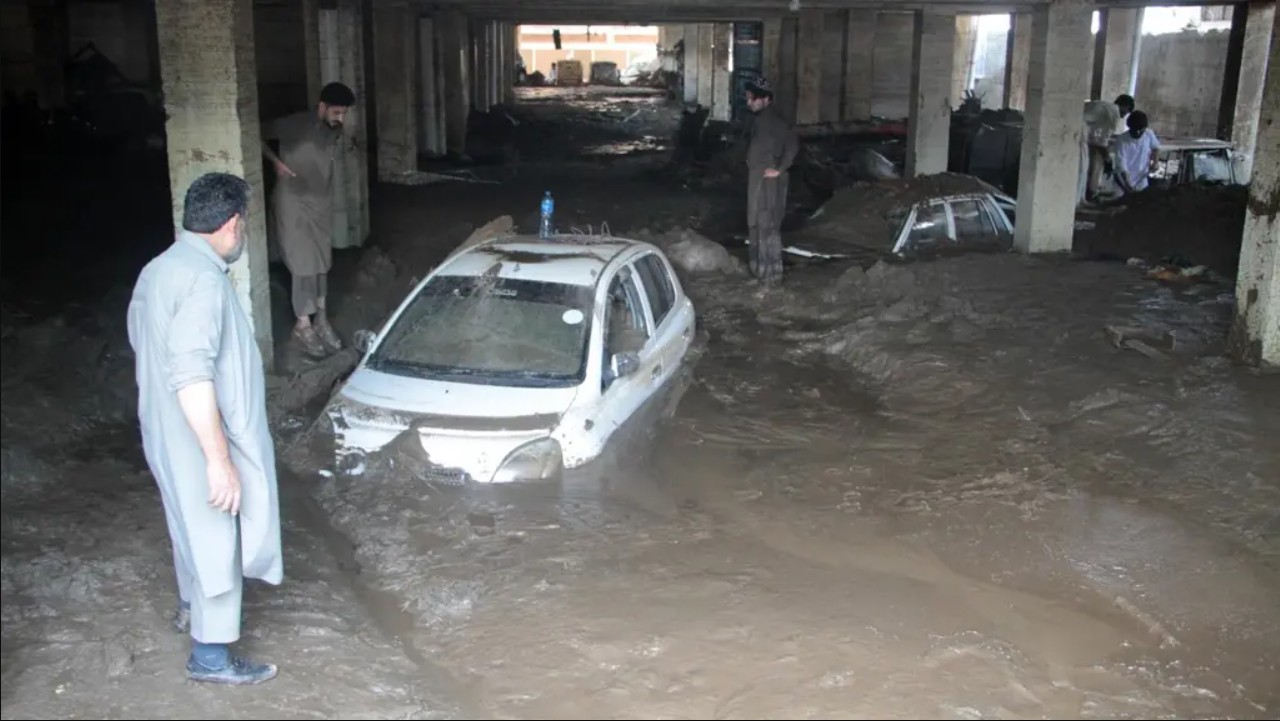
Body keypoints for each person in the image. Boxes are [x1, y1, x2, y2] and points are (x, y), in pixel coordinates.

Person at [127, 172, 283, 685]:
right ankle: (211, 658)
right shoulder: (205, 281)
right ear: (233, 224)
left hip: (163, 429)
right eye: (246, 225)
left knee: (187, 528)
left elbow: (142, 340)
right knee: (217, 536)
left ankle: (190, 607)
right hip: (198, 434)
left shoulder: (158, 268)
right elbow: (193, 370)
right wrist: (219, 460)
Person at [261, 81, 356, 359]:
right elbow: (254, 130)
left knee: (321, 263)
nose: (341, 118)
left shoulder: (332, 130)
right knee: (303, 265)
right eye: (337, 112)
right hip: (293, 203)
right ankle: (303, 326)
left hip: (320, 204)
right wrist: (275, 162)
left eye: (344, 113)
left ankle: (321, 321)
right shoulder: (294, 124)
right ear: (322, 106)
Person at [743, 76, 799, 286]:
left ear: (765, 99)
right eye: (748, 98)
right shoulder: (760, 120)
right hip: (758, 179)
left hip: (768, 183)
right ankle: (759, 271)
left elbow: (793, 144)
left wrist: (780, 168)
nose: (749, 102)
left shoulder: (775, 120)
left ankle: (770, 276)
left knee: (767, 226)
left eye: (753, 99)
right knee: (756, 224)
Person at [1112, 110, 1161, 194]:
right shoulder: (1121, 140)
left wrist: (1155, 162)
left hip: (1142, 180)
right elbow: (1122, 167)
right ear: (1130, 127)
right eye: (1135, 130)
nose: (1138, 133)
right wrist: (1127, 187)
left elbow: (1156, 148)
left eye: (1140, 130)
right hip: (1123, 181)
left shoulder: (1148, 134)